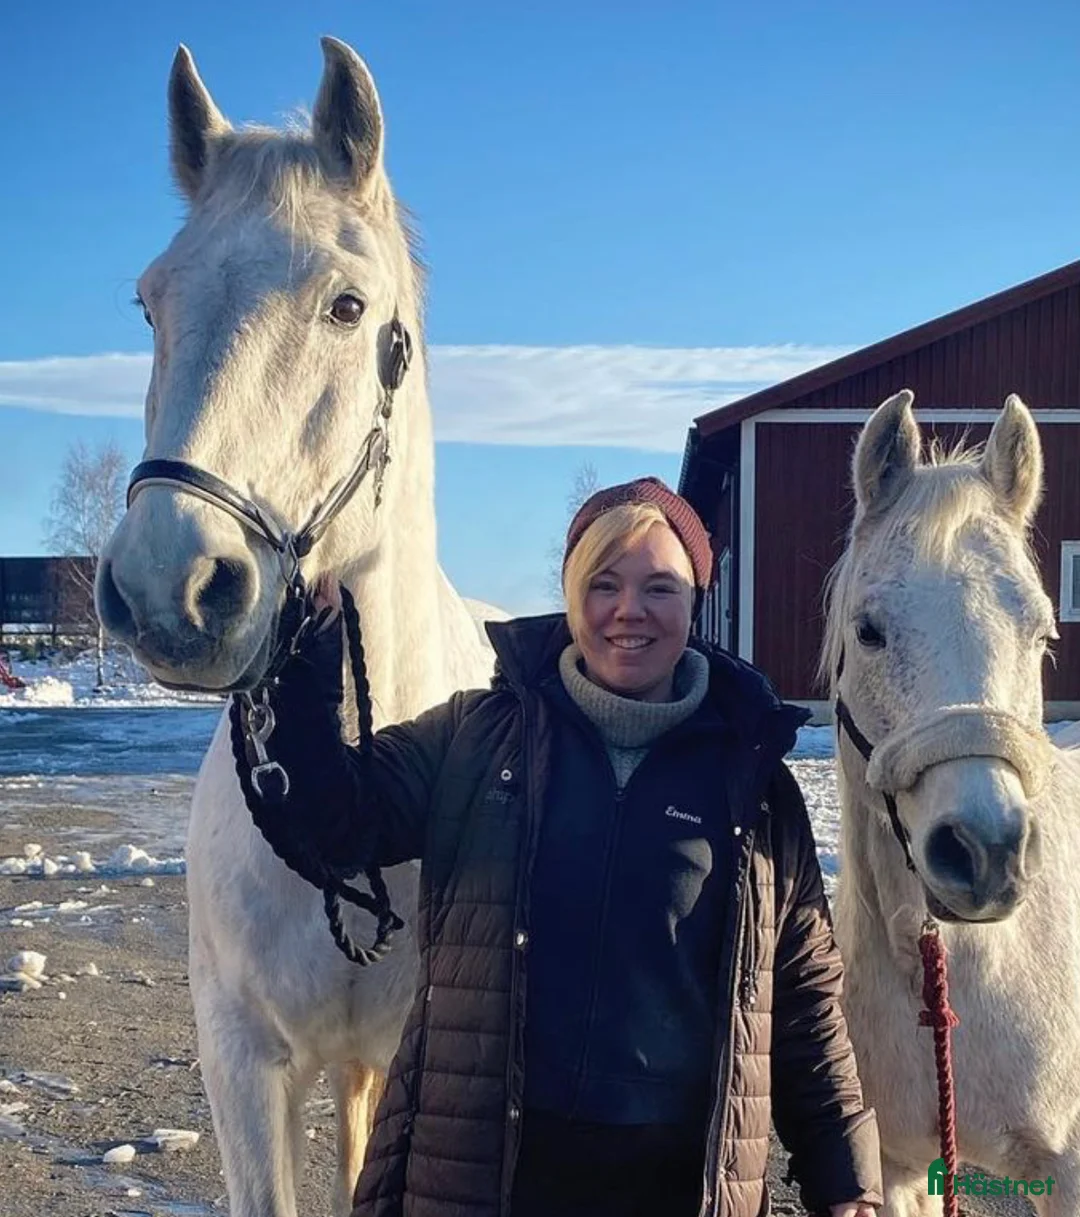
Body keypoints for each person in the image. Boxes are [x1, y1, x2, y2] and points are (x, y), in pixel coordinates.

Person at [261, 477, 882, 1217]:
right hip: (483, 1179)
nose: (629, 609)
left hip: (676, 1188)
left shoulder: (753, 783)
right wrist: (304, 671)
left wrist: (847, 1179)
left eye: (659, 587)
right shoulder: (474, 739)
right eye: (603, 584)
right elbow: (331, 824)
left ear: (695, 601)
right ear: (569, 594)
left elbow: (804, 997)